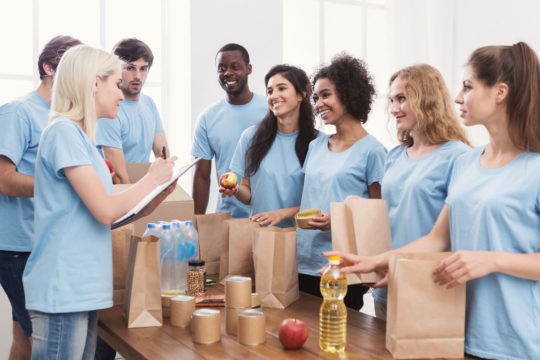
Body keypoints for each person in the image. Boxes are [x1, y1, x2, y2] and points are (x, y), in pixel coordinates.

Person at [325, 42, 540, 359]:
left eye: (467, 86)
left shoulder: (534, 168)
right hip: (451, 329)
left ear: (500, 92)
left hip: (513, 342)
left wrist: (492, 259)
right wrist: (374, 261)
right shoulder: (468, 164)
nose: (456, 97)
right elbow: (438, 239)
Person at [22, 44, 176, 359]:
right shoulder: (63, 132)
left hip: (82, 290)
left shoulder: (84, 141)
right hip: (64, 288)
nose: (122, 93)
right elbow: (105, 210)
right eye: (116, 84)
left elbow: (98, 215)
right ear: (94, 83)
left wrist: (150, 201)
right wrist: (150, 179)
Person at [0, 35, 82, 360]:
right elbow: (3, 180)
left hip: (44, 243)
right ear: (48, 67)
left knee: (23, 334)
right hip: (18, 248)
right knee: (41, 338)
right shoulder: (17, 113)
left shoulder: (64, 118)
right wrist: (57, 184)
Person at [370, 64, 470, 320]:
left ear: (427, 99)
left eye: (402, 98)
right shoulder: (394, 156)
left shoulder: (458, 156)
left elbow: (456, 231)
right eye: (391, 100)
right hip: (387, 282)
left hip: (428, 284)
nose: (393, 109)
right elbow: (392, 211)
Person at [297, 53, 387, 310]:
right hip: (303, 261)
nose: (318, 103)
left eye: (326, 95)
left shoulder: (373, 152)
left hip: (342, 266)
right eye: (315, 97)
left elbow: (377, 216)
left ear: (347, 95)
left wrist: (336, 221)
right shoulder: (315, 146)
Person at [222, 64, 318, 227]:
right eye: (270, 91)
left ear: (301, 94)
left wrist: (281, 214)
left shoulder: (318, 143)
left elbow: (318, 202)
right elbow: (249, 195)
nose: (274, 95)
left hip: (302, 241)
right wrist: (236, 190)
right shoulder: (251, 137)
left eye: (282, 88)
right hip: (262, 237)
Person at [192, 43, 267, 218]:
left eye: (235, 67)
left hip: (268, 215)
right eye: (222, 68)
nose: (228, 73)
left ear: (248, 69)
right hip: (228, 217)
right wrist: (196, 222)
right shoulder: (207, 118)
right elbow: (202, 176)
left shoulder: (270, 110)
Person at [95, 38, 168, 184]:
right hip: (116, 194)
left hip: (142, 188)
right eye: (130, 68)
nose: (137, 76)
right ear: (116, 70)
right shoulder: (108, 111)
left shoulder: (149, 104)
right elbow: (119, 177)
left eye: (143, 69)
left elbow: (163, 154)